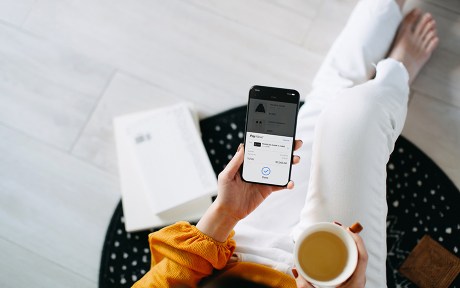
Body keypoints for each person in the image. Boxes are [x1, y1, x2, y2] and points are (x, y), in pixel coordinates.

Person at [132, 0, 439, 286]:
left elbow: (166, 279)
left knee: (325, 109)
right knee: (355, 119)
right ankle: (397, 74)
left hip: (234, 264)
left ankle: (388, 41)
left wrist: (225, 212)